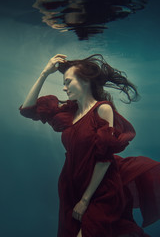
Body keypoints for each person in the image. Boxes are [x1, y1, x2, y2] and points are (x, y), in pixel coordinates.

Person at [19, 54, 160, 237]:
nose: (64, 87)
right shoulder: (69, 112)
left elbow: (104, 160)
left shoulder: (103, 109)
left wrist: (85, 200)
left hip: (100, 189)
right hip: (71, 187)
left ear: (85, 81)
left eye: (68, 82)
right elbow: (27, 110)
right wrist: (45, 73)